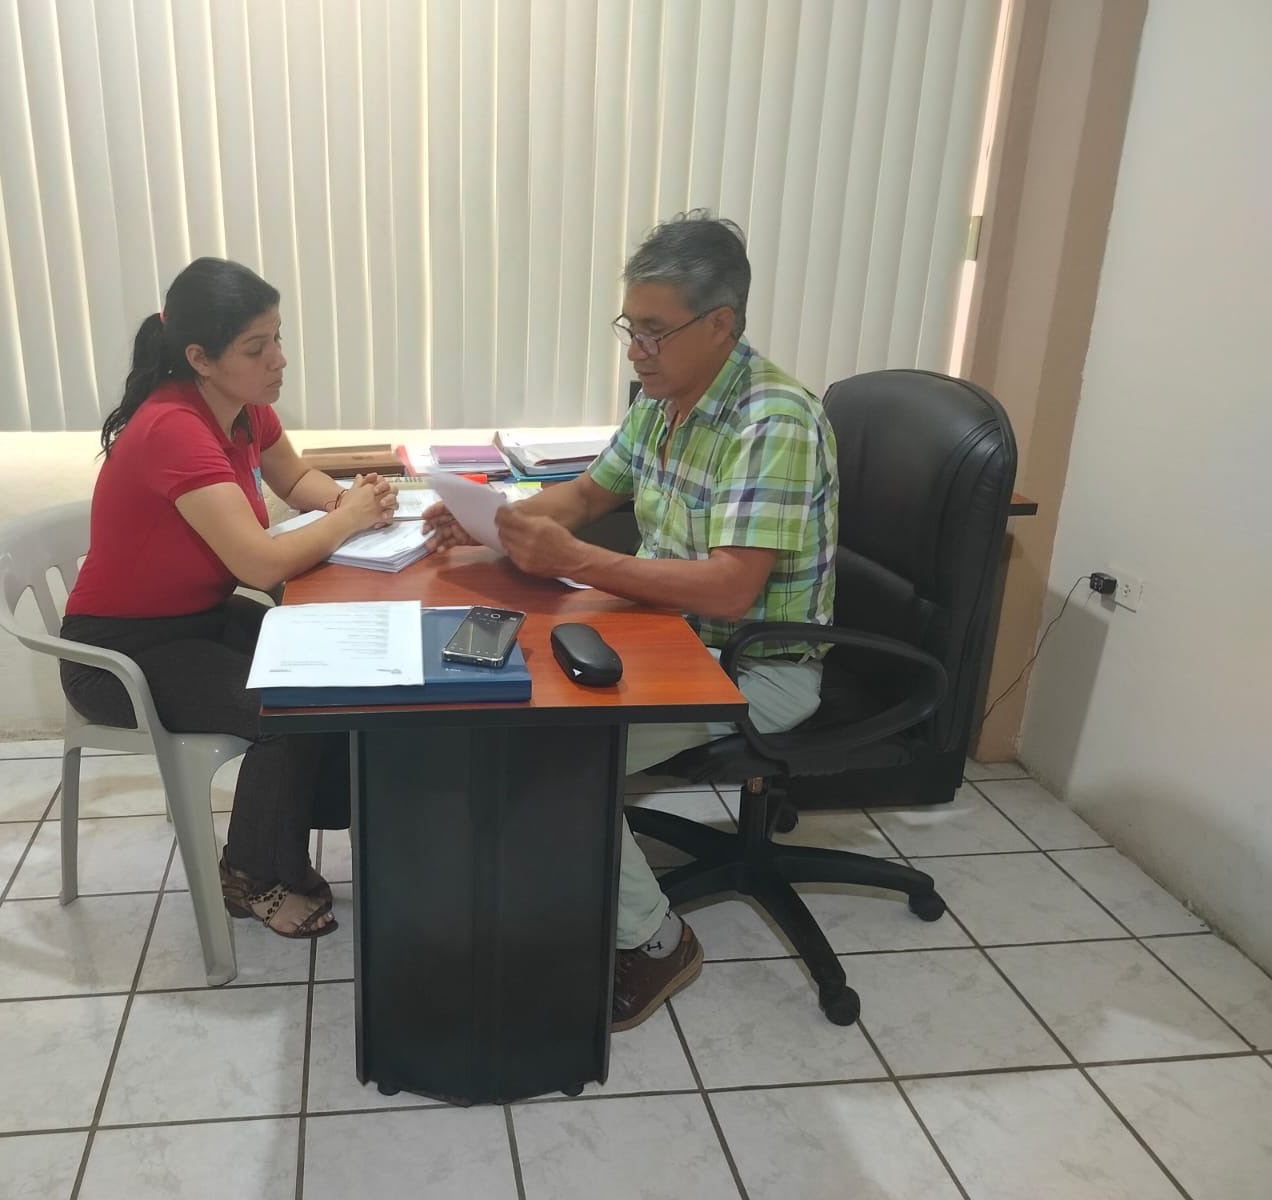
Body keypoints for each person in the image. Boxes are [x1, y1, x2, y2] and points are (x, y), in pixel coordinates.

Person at [424, 212, 838, 1028]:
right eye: (630, 328)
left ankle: (657, 943)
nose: (635, 351)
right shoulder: (664, 399)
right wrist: (498, 522)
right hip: (666, 634)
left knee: (548, 755)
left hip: (755, 665)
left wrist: (573, 560)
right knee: (501, 706)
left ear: (719, 325)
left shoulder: (773, 422)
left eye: (654, 332)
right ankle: (566, 877)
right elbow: (587, 495)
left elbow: (731, 591)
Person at [61, 257, 397, 939]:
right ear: (200, 358)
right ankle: (250, 876)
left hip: (197, 619)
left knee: (336, 671)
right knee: (287, 705)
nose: (279, 359)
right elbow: (257, 561)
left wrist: (349, 501)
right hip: (121, 653)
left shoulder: (245, 408)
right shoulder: (173, 429)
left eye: (277, 338)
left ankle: (312, 829)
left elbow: (294, 476)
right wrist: (349, 519)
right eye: (256, 347)